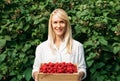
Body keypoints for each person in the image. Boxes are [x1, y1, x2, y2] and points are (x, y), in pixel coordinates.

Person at [32, 8, 87, 81]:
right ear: (51, 25)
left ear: (66, 24)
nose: (58, 26)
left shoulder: (77, 46)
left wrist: (80, 74)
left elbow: (82, 68)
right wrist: (37, 75)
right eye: (55, 22)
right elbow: (36, 69)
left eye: (62, 22)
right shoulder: (41, 48)